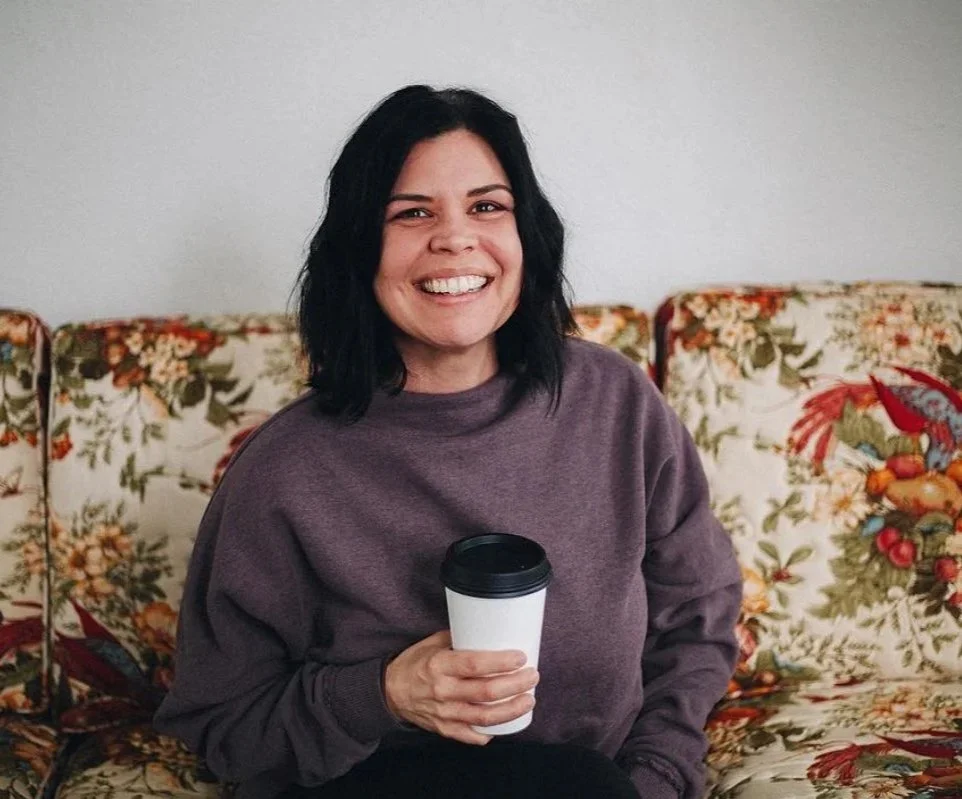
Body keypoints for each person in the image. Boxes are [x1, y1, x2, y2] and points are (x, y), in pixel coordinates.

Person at [153, 85, 742, 799]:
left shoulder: (615, 405)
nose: (455, 237)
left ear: (527, 232)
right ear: (359, 248)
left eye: (487, 206)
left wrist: (654, 777)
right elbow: (224, 725)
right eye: (412, 213)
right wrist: (384, 693)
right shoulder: (286, 468)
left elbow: (697, 617)